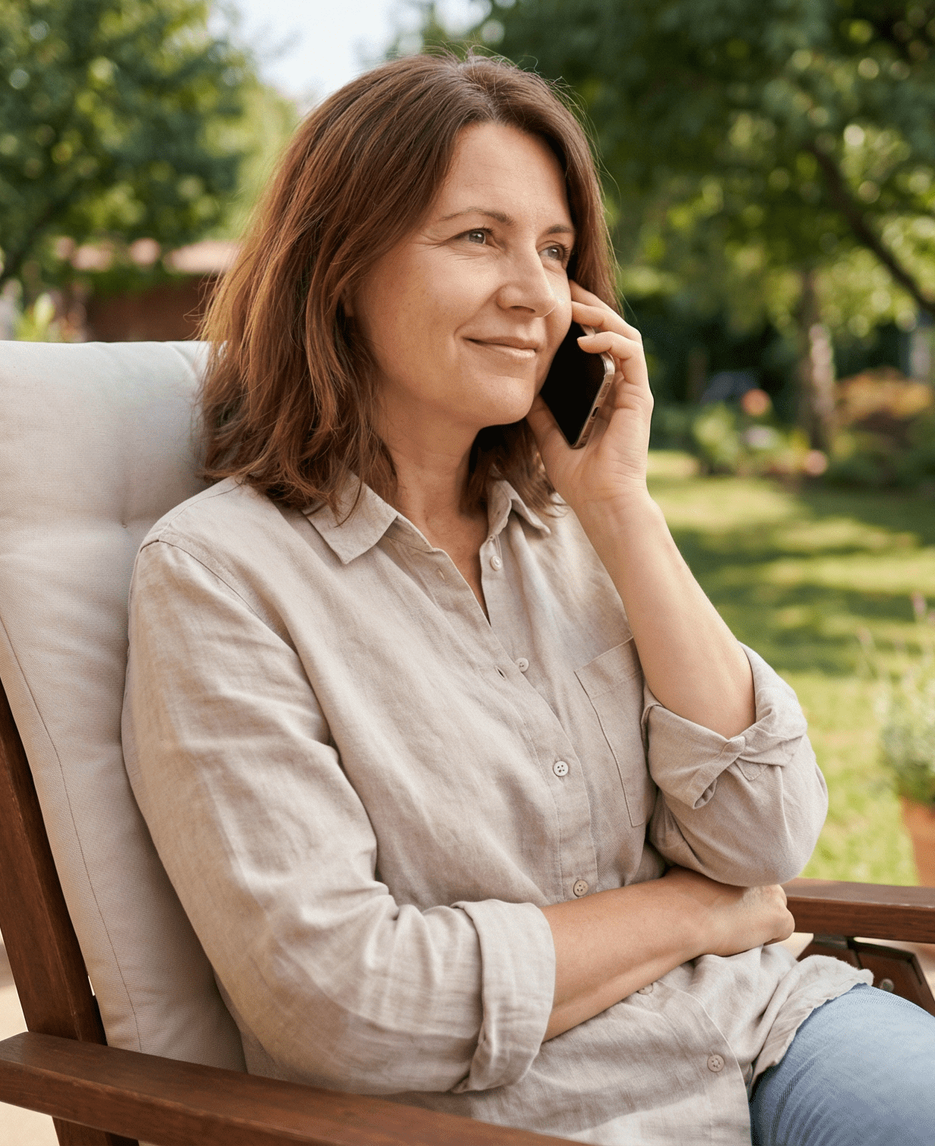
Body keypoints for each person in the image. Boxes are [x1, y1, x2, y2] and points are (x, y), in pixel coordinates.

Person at [122, 52, 935, 1146]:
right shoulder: (219, 577)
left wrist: (622, 509)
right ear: (339, 268)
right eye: (476, 238)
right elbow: (344, 1002)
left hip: (762, 1034)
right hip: (520, 1116)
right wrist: (690, 914)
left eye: (553, 251)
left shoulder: (572, 528)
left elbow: (763, 835)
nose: (535, 293)